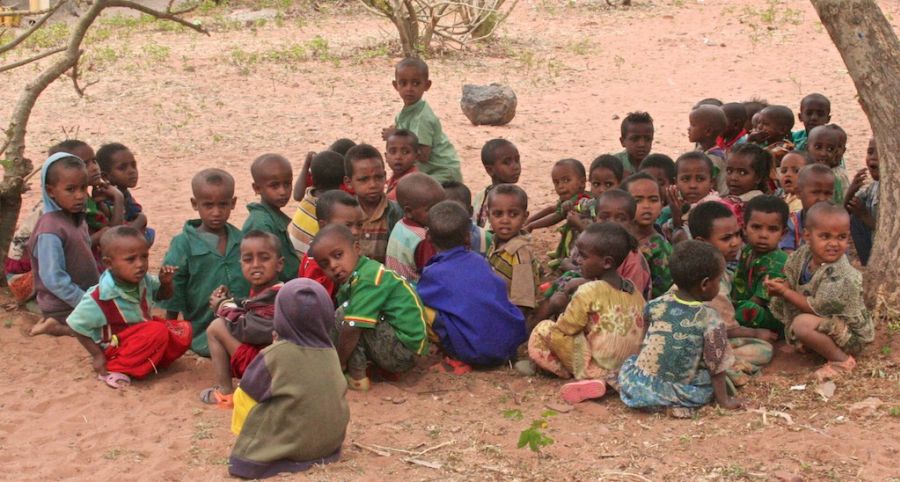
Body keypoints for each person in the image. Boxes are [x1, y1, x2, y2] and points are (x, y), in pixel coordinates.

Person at [228, 279, 349, 479]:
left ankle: (247, 438)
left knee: (242, 394)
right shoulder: (331, 352)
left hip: (290, 445)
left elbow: (249, 390)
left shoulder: (275, 354)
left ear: (281, 317)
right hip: (329, 445)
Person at [618, 241, 743, 416]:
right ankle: (675, 406)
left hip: (639, 387)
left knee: (631, 362)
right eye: (719, 280)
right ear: (705, 284)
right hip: (681, 393)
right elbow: (717, 367)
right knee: (715, 376)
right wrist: (724, 401)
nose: (719, 284)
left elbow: (642, 345)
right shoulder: (710, 318)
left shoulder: (654, 305)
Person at [527, 223, 645, 404]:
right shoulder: (633, 290)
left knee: (545, 329)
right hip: (626, 367)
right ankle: (605, 382)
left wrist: (557, 309)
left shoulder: (589, 290)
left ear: (606, 262)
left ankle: (579, 375)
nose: (577, 260)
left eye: (583, 256)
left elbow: (567, 327)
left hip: (596, 364)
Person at [67, 226, 191, 388]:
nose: (140, 264)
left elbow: (163, 296)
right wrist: (98, 356)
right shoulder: (100, 296)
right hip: (116, 347)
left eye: (144, 257)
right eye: (131, 259)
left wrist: (166, 283)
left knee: (182, 331)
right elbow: (75, 325)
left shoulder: (144, 280)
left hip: (140, 337)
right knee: (157, 330)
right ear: (108, 263)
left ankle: (146, 362)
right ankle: (117, 368)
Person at [311, 225, 430, 391]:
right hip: (402, 346)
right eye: (325, 264)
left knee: (348, 318)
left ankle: (356, 376)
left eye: (338, 255)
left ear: (357, 248)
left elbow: (352, 329)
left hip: (404, 352)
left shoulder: (367, 278)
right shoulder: (362, 272)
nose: (333, 265)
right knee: (351, 317)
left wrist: (340, 363)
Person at [767, 203, 873, 381]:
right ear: (808, 236)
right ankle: (813, 345)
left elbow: (817, 308)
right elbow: (792, 278)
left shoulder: (842, 273)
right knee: (779, 305)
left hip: (851, 335)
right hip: (828, 322)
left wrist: (785, 292)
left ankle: (842, 360)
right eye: (825, 236)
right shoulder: (803, 255)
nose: (834, 243)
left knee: (802, 324)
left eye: (841, 237)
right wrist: (781, 286)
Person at [417, 201, 526, 371]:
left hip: (474, 352)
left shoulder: (433, 273)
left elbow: (420, 297)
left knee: (419, 308)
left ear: (428, 237)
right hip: (507, 346)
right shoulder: (480, 261)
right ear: (468, 237)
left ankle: (454, 356)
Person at [159, 168, 249, 356]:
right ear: (195, 204)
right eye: (208, 205)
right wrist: (172, 330)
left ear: (233, 203)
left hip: (242, 324)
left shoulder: (241, 240)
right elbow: (175, 286)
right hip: (200, 330)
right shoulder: (184, 243)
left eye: (223, 205)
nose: (216, 212)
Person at [689, 202, 775, 387]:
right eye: (726, 238)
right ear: (701, 242)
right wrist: (757, 332)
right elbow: (725, 330)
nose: (736, 242)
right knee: (764, 350)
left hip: (701, 339)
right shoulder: (711, 282)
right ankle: (712, 367)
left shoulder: (721, 270)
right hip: (699, 342)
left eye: (737, 234)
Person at [200, 231, 285, 406]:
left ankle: (225, 392)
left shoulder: (277, 296)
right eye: (248, 259)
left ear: (279, 264)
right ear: (240, 264)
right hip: (272, 367)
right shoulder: (269, 291)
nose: (256, 265)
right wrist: (229, 301)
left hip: (269, 372)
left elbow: (248, 329)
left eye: (264, 258)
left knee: (216, 327)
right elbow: (250, 306)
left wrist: (222, 306)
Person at [27, 153, 101, 336]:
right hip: (63, 304)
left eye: (83, 188)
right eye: (71, 189)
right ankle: (58, 327)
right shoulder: (50, 229)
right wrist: (84, 301)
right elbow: (53, 278)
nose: (79, 196)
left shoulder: (76, 218)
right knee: (108, 329)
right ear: (51, 191)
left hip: (84, 297)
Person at [383, 57, 462, 183]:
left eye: (415, 83)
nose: (409, 88)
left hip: (442, 171)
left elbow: (423, 155)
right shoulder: (404, 113)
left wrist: (394, 136)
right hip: (428, 171)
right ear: (395, 85)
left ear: (427, 85)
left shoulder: (422, 117)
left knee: (409, 189)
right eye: (403, 83)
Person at [732, 195, 789, 333]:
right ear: (744, 228)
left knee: (747, 310)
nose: (763, 235)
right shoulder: (747, 250)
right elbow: (739, 283)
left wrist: (731, 309)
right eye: (756, 227)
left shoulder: (777, 261)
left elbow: (759, 300)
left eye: (772, 229)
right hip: (745, 302)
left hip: (771, 315)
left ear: (783, 233)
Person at [486, 184, 540, 321]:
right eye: (498, 214)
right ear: (488, 215)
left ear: (524, 217)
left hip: (507, 316)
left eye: (513, 214)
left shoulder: (519, 254)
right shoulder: (494, 241)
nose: (505, 220)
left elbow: (522, 302)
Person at [242, 153, 299, 281]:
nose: (283, 192)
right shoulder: (261, 223)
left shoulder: (272, 217)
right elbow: (262, 269)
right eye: (274, 186)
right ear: (257, 188)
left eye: (287, 184)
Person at [298, 190, 365, 299]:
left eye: (359, 225)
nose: (355, 232)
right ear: (323, 225)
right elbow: (316, 301)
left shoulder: (349, 250)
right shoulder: (317, 262)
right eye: (347, 225)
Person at [524, 158, 592, 266]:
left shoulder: (581, 201)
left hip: (588, 242)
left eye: (566, 180)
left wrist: (531, 226)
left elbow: (557, 216)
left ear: (582, 182)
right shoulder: (569, 198)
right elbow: (552, 208)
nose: (560, 186)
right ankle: (562, 254)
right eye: (556, 182)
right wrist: (528, 221)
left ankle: (567, 259)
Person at [343, 143, 403, 264]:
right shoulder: (345, 214)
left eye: (378, 177)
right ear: (349, 182)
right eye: (364, 179)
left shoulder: (397, 213)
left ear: (385, 176)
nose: (373, 185)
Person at [385, 172, 444, 282]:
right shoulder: (423, 238)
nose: (439, 212)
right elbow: (433, 276)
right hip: (415, 295)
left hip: (396, 289)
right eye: (431, 209)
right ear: (408, 211)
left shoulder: (400, 225)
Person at [622, 173, 672, 298]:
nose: (647, 206)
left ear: (662, 204)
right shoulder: (619, 236)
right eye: (638, 200)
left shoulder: (660, 248)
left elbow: (664, 293)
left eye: (653, 200)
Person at [288, 150, 345, 256]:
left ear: (312, 178)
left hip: (294, 259)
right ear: (344, 181)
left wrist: (306, 164)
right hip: (308, 267)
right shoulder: (334, 212)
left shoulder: (308, 195)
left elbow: (296, 195)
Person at [96, 143, 154, 245]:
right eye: (122, 168)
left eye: (133, 165)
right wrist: (141, 219)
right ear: (105, 176)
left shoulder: (124, 192)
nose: (131, 171)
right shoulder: (105, 197)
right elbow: (116, 235)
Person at [660, 151, 720, 242]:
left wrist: (677, 215)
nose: (692, 185)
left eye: (700, 179)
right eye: (685, 179)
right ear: (676, 182)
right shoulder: (679, 201)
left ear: (712, 182)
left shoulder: (713, 205)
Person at [779, 164, 835, 252]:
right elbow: (788, 256)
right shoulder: (792, 223)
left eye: (827, 193)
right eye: (816, 192)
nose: (822, 199)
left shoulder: (836, 223)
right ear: (798, 193)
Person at [473, 138, 521, 229]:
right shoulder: (481, 195)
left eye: (517, 160)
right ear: (490, 170)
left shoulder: (516, 198)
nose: (515, 166)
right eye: (506, 162)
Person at [845, 137, 879, 265]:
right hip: (873, 245)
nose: (873, 158)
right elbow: (845, 210)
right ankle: (869, 263)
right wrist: (851, 191)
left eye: (880, 153)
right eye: (870, 152)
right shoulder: (873, 187)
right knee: (854, 218)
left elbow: (889, 232)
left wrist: (864, 215)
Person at [291, 138, 356, 203]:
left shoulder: (350, 185)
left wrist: (306, 164)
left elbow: (298, 196)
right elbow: (297, 196)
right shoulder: (324, 176)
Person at [721, 143, 771, 222]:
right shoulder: (729, 199)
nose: (733, 178)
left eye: (742, 173)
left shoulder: (756, 207)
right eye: (729, 171)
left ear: (758, 177)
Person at [442, 181, 491, 256]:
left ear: (470, 211)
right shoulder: (432, 238)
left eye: (455, 208)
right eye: (441, 208)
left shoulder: (484, 238)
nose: (448, 214)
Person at [688, 104, 728, 193]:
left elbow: (706, 185)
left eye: (693, 125)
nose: (688, 128)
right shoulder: (701, 149)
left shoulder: (714, 157)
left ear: (708, 131)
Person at [807, 124, 850, 204]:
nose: (823, 153)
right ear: (807, 148)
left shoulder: (838, 177)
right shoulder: (803, 172)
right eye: (818, 147)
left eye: (830, 149)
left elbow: (840, 204)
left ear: (836, 152)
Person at [745, 105, 795, 174]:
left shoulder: (783, 149)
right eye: (759, 122)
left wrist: (749, 141)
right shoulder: (765, 143)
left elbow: (752, 161)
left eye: (765, 124)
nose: (759, 126)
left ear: (782, 130)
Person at [385, 129, 420, 200]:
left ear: (416, 157)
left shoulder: (411, 182)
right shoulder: (394, 178)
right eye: (393, 151)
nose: (398, 157)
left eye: (405, 152)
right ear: (386, 156)